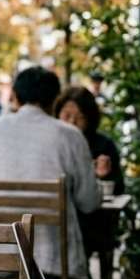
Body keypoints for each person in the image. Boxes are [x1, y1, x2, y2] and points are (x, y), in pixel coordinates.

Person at [0, 67, 100, 279]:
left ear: (16, 96)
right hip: (54, 267)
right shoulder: (69, 135)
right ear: (54, 101)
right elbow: (89, 202)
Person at [54, 86, 124, 258]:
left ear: (90, 119)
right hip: (54, 221)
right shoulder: (51, 143)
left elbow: (119, 187)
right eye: (67, 115)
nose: (71, 122)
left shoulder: (103, 145)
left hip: (90, 221)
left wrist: (104, 177)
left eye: (80, 118)